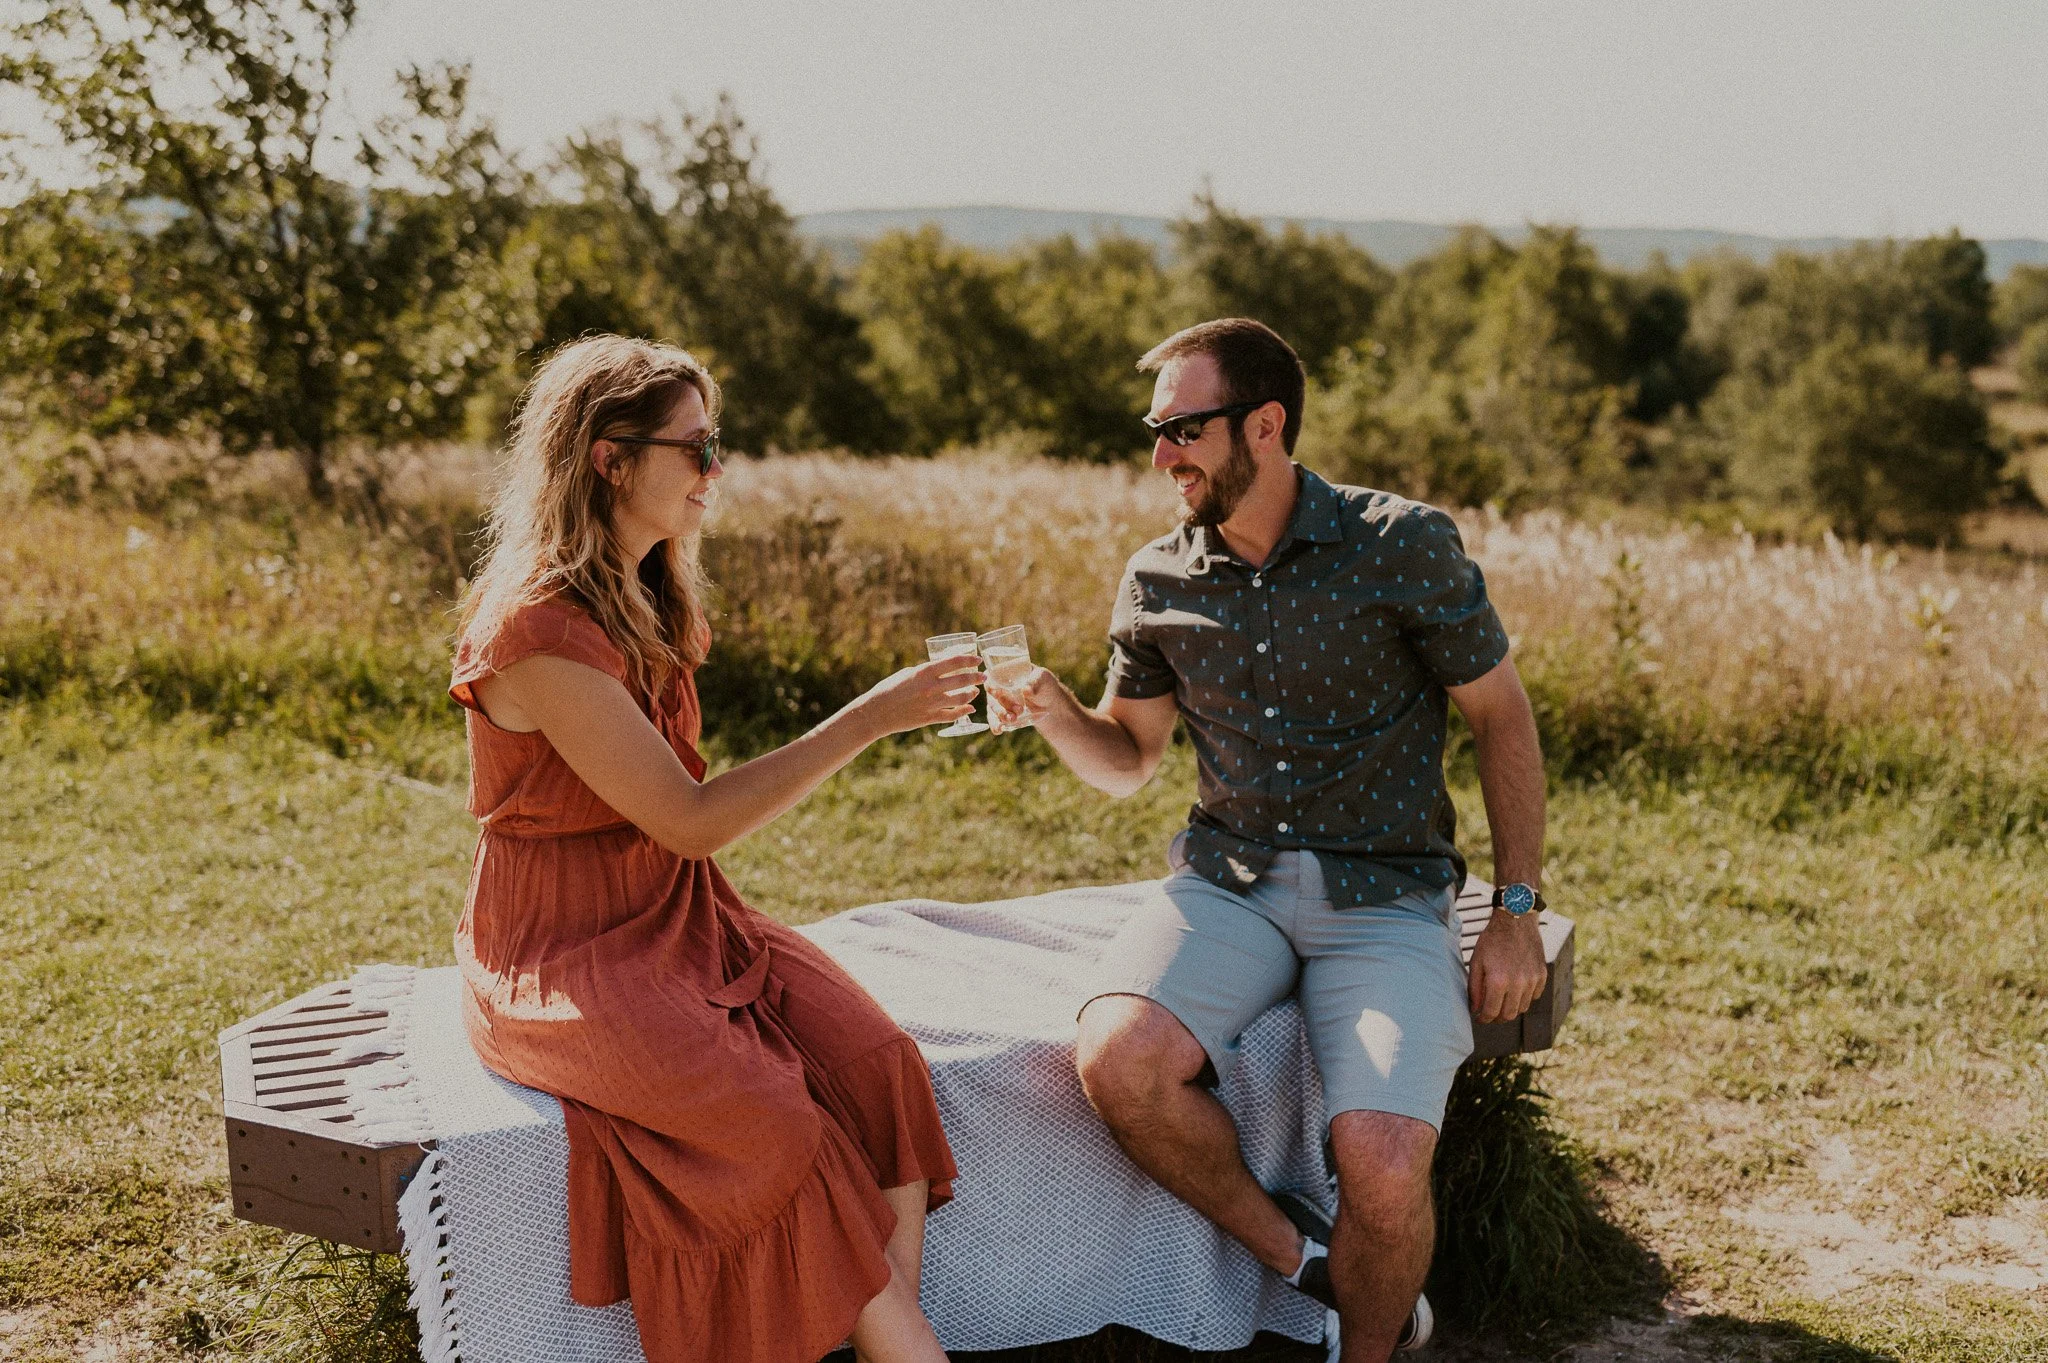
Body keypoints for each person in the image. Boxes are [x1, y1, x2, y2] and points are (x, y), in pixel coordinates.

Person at [989, 319, 1550, 1362]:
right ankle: (1302, 1261)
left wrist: (1514, 912)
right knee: (1117, 1061)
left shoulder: (1400, 543)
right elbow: (1128, 756)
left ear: (1264, 423)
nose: (1161, 455)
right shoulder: (1156, 576)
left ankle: (1365, 1349)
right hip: (1226, 886)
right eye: (1155, 431)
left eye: (1182, 429)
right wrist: (1056, 709)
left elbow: (1501, 717)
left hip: (1386, 896)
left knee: (1382, 1160)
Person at [447, 335, 974, 1363]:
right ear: (609, 458)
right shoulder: (534, 629)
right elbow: (685, 815)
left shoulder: (643, 591)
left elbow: (678, 839)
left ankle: (879, 1346)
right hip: (563, 945)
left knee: (880, 1069)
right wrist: (867, 717)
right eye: (694, 448)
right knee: (773, 1124)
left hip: (683, 912)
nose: (715, 470)